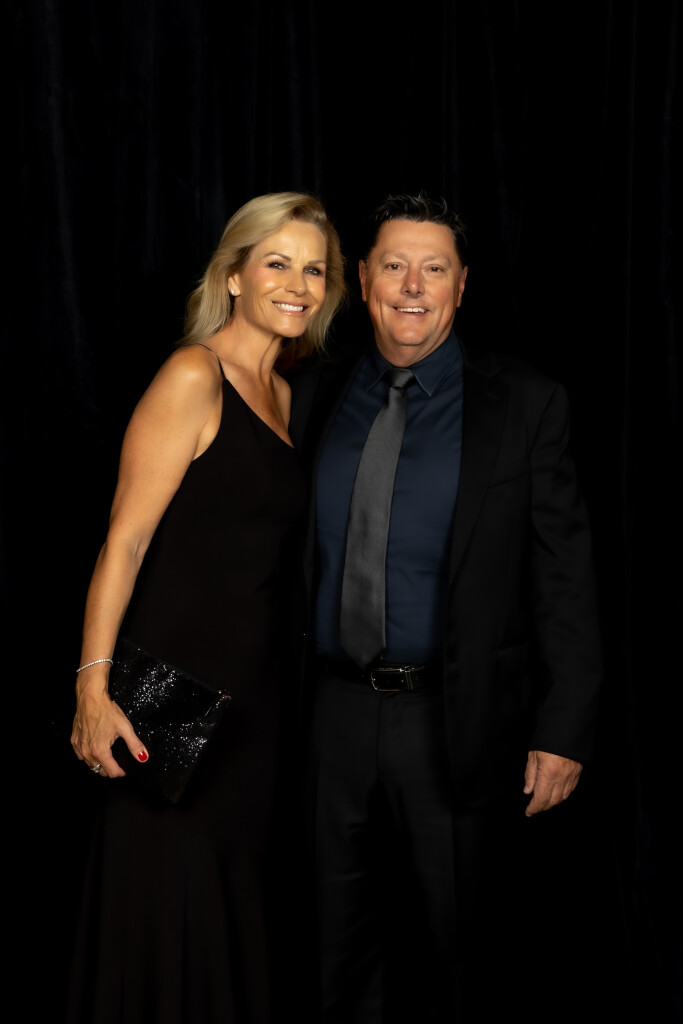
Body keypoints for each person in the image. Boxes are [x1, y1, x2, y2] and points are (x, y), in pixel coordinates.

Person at [288, 193, 603, 1021]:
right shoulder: (310, 390)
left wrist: (562, 728)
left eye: (433, 269)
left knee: (457, 954)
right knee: (327, 953)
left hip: (456, 721)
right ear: (363, 278)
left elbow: (564, 579)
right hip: (327, 715)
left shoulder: (525, 402)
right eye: (394, 266)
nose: (412, 287)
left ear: (461, 285)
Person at [67, 191, 346, 1024]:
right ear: (232, 275)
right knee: (163, 904)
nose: (297, 285)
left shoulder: (286, 394)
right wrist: (92, 687)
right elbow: (124, 542)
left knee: (233, 912)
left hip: (256, 709)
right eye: (277, 263)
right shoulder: (193, 374)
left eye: (314, 270)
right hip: (170, 705)